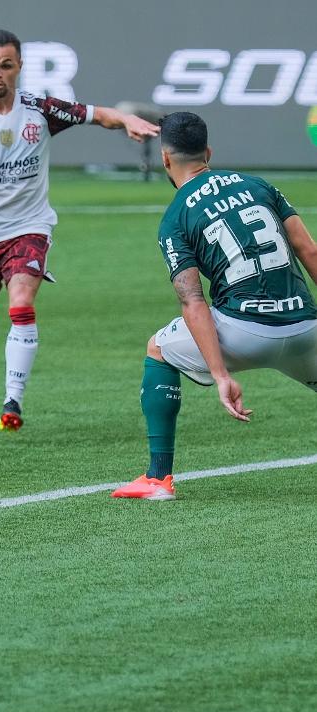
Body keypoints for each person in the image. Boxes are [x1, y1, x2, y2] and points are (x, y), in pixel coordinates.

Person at [0, 29, 159, 431]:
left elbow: (95, 114)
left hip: (29, 227)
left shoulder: (39, 110)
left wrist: (126, 118)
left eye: (6, 65)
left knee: (21, 303)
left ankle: (12, 402)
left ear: (19, 66)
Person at [112, 111, 317, 500]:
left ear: (166, 159)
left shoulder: (175, 216)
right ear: (208, 151)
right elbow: (308, 250)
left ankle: (158, 480)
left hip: (244, 334)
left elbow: (192, 300)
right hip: (304, 328)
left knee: (159, 349)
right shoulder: (258, 185)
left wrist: (221, 375)